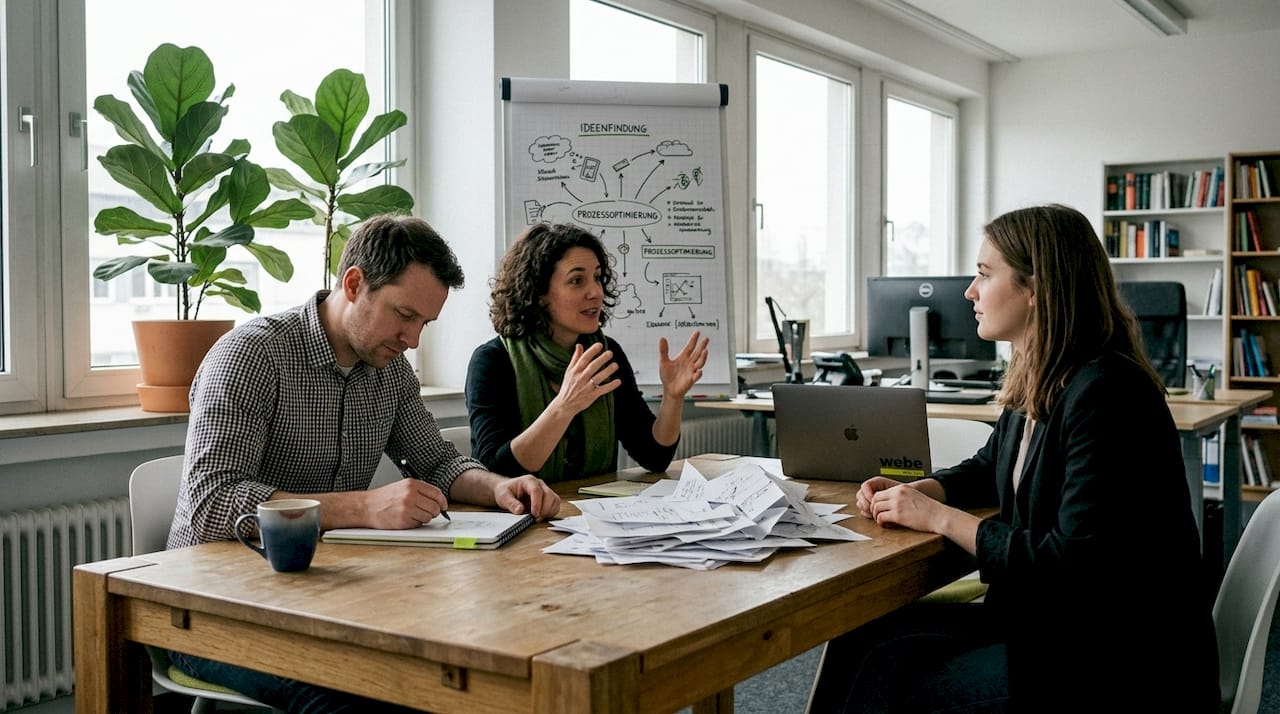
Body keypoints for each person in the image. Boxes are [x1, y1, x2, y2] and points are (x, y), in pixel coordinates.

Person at [807, 204, 1219, 713]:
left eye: (984, 274)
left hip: (1116, 664)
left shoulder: (1108, 393)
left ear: (1036, 288)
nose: (969, 293)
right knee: (859, 638)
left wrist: (937, 517)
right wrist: (921, 491)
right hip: (1049, 629)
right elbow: (988, 468)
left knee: (894, 686)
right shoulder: (1043, 375)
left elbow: (1070, 565)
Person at [167, 214, 561, 713]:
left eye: (424, 323)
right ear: (354, 283)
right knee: (361, 694)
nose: (413, 339)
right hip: (212, 605)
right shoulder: (251, 355)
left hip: (325, 595)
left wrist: (500, 488)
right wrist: (364, 507)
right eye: (404, 315)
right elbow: (209, 504)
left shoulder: (388, 370)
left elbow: (438, 462)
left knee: (465, 667)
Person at [465, 222, 709, 482]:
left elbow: (654, 456)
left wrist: (673, 398)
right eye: (576, 280)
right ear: (538, 293)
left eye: (597, 277)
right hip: (522, 516)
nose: (595, 292)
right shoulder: (492, 361)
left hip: (593, 512)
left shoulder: (606, 353)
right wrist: (564, 406)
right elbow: (496, 470)